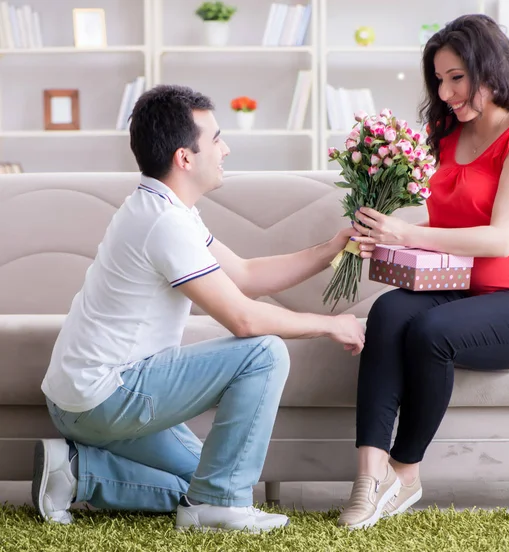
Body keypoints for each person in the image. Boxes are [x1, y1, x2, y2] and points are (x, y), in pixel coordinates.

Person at [33, 84, 366, 533]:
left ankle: (73, 472)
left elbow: (244, 275)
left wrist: (331, 249)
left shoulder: (167, 209)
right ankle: (221, 509)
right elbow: (243, 318)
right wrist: (332, 325)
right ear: (184, 158)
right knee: (263, 352)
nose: (225, 149)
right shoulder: (163, 223)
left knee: (204, 480)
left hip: (80, 397)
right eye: (216, 139)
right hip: (104, 396)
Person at [338, 13, 509, 530]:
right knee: (388, 311)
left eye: (456, 78)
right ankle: (366, 477)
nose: (445, 93)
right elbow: (447, 220)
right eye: (439, 80)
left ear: (488, 70)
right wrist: (383, 226)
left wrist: (408, 234)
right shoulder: (445, 138)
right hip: (464, 287)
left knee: (430, 331)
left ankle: (406, 472)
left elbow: (501, 238)